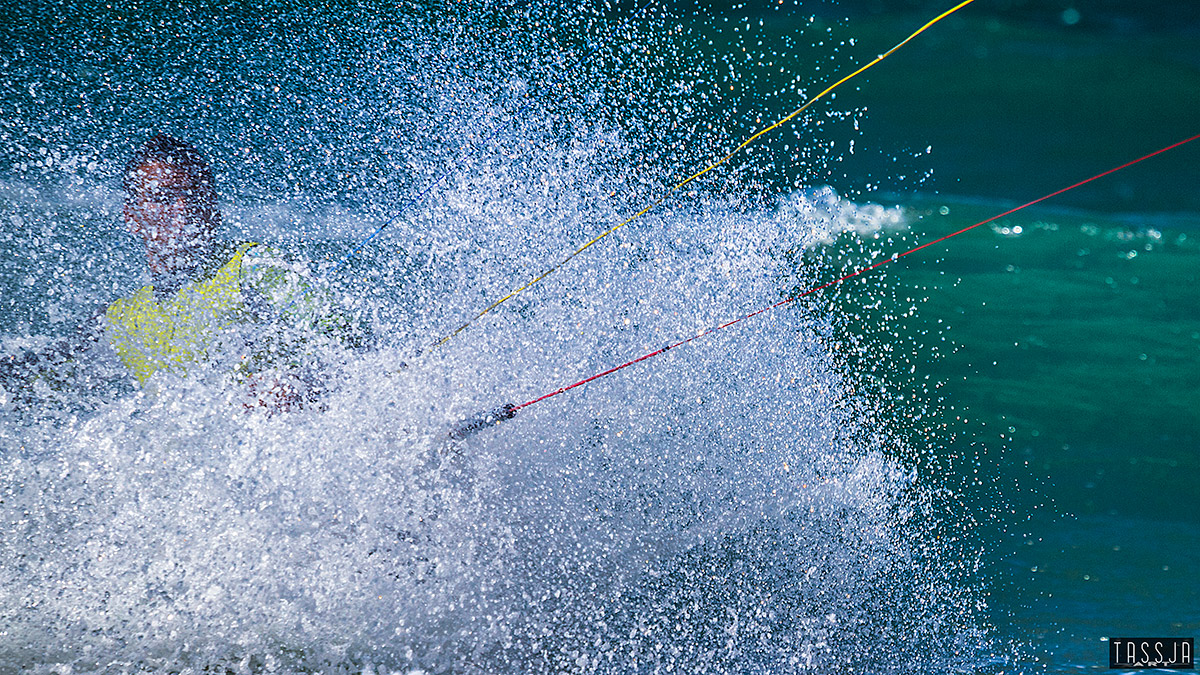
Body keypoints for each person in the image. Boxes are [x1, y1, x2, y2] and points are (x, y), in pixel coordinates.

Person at [2, 134, 370, 412]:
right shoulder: (119, 320)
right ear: (132, 217)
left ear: (214, 209)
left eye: (195, 197)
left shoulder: (254, 270)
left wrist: (301, 380)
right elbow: (37, 378)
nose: (182, 211)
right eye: (163, 198)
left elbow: (352, 339)